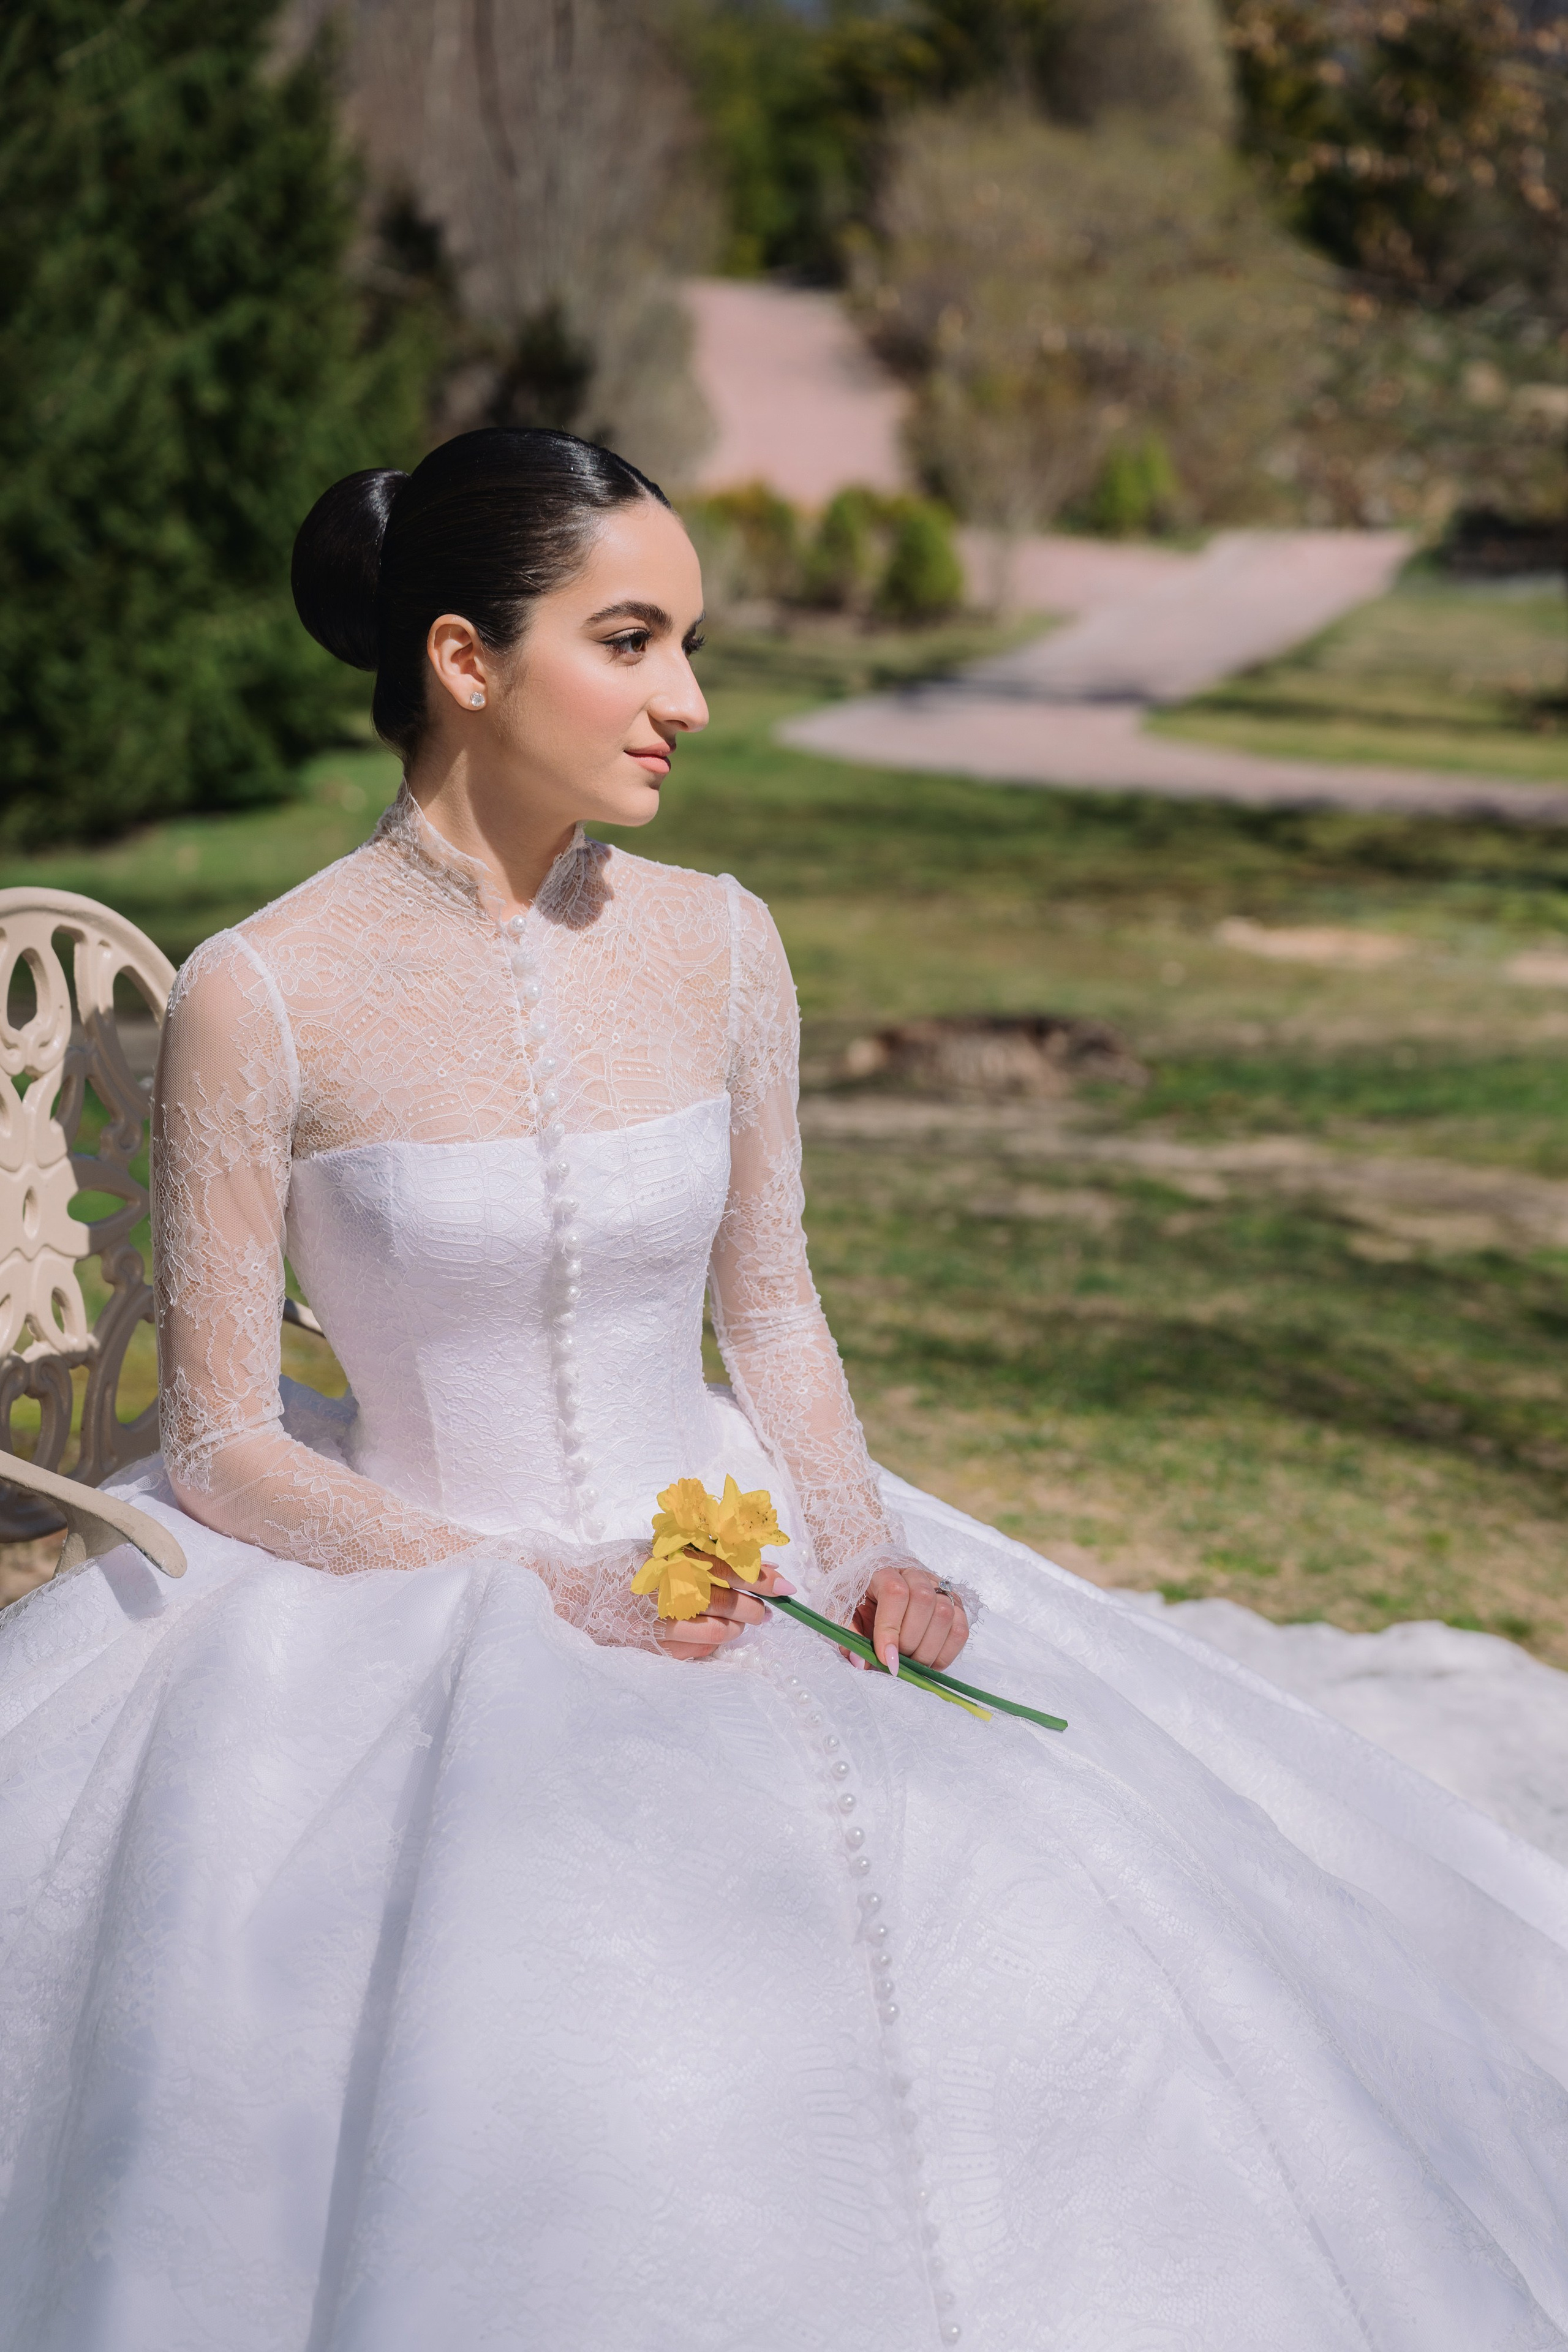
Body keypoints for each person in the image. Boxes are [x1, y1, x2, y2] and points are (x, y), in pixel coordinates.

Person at [2, 428, 1566, 2352]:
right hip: (412, 1596)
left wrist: (870, 1549)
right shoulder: (268, 989)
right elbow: (228, 1439)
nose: (693, 702)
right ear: (465, 663)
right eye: (636, 641)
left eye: (694, 645)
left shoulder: (725, 941)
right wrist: (531, 1586)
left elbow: (779, 1309)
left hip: (759, 1556)